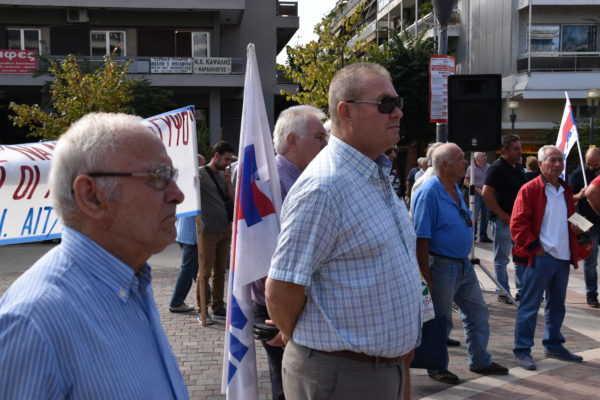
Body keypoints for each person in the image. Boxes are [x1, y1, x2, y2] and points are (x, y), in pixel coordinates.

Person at [0, 113, 188, 399]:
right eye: (159, 177)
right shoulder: (32, 323)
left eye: (172, 176)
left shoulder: (129, 281)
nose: (178, 194)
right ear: (91, 196)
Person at [266, 63, 421, 400]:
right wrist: (314, 345)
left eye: (398, 103)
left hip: (383, 369)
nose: (397, 113)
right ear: (345, 111)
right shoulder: (324, 188)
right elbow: (281, 291)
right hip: (342, 375)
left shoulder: (373, 174)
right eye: (385, 104)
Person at [412, 143, 508, 385]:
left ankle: (480, 360)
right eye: (460, 159)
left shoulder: (455, 186)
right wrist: (425, 274)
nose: (466, 162)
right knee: (441, 319)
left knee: (477, 312)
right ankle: (437, 366)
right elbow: (420, 237)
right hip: (440, 265)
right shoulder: (429, 191)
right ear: (445, 165)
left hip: (462, 264)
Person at [252, 104, 327, 400]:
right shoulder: (268, 182)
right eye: (318, 137)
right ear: (293, 140)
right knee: (287, 386)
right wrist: (282, 318)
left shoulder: (304, 178)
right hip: (280, 306)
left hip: (297, 302)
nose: (325, 143)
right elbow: (262, 250)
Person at [510, 145, 585, 371]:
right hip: (539, 257)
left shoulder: (565, 189)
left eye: (560, 160)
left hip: (562, 257)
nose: (557, 164)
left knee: (557, 306)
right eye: (552, 160)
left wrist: (585, 228)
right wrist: (535, 247)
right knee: (530, 306)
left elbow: (571, 217)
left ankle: (553, 344)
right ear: (541, 163)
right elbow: (517, 223)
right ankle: (522, 349)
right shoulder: (530, 189)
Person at [482, 134, 525, 303]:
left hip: (518, 220)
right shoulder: (496, 168)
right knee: (502, 258)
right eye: (516, 149)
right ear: (505, 150)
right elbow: (486, 193)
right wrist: (501, 214)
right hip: (503, 221)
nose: (520, 152)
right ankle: (503, 291)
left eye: (520, 148)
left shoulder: (518, 167)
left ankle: (522, 291)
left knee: (520, 257)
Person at [197, 141, 235, 322]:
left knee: (220, 271)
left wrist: (228, 182)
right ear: (216, 155)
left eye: (230, 160)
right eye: (226, 159)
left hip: (224, 228)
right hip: (207, 230)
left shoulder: (223, 175)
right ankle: (202, 309)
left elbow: (232, 199)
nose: (228, 163)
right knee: (205, 271)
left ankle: (218, 305)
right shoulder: (200, 174)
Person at [169, 155, 207, 314]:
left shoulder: (186, 182)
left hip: (186, 232)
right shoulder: (190, 183)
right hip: (190, 234)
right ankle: (177, 301)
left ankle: (206, 297)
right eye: (201, 166)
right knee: (188, 269)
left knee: (196, 269)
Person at [568, 147, 600, 308]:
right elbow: (568, 199)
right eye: (589, 163)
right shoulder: (577, 174)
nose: (592, 166)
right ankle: (591, 294)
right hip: (586, 221)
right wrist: (579, 195)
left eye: (596, 164)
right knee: (591, 261)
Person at [465, 152, 492, 243]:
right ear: (477, 159)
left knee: (486, 215)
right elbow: (466, 182)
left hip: (486, 193)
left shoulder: (489, 167)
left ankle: (483, 236)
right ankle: (473, 235)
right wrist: (476, 189)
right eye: (483, 157)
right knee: (474, 215)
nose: (485, 158)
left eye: (485, 156)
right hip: (475, 194)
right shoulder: (471, 168)